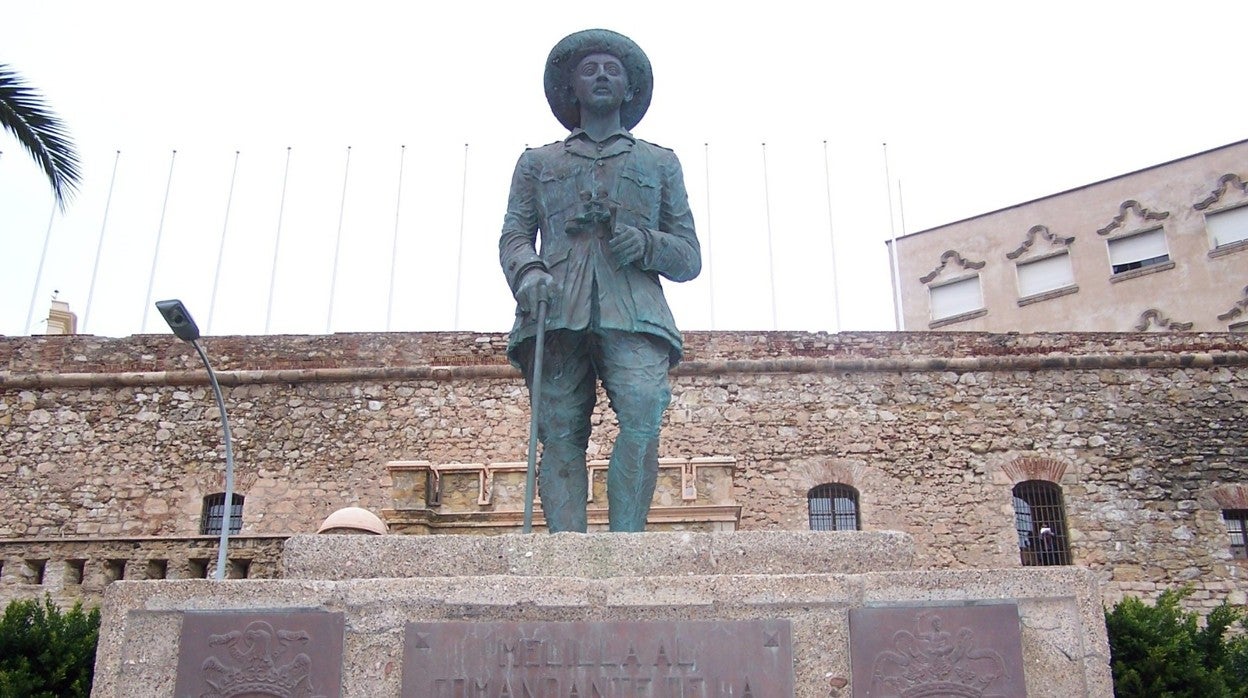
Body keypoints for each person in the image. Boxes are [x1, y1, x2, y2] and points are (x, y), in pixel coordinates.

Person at [499, 28, 701, 532]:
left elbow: (689, 256)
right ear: (572, 88)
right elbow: (514, 236)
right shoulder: (537, 163)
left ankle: (626, 549)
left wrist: (647, 244)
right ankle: (567, 556)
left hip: (635, 313)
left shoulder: (660, 162)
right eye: (590, 69)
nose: (603, 75)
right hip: (556, 311)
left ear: (630, 89)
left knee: (643, 418)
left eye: (613, 69)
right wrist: (528, 272)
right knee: (560, 432)